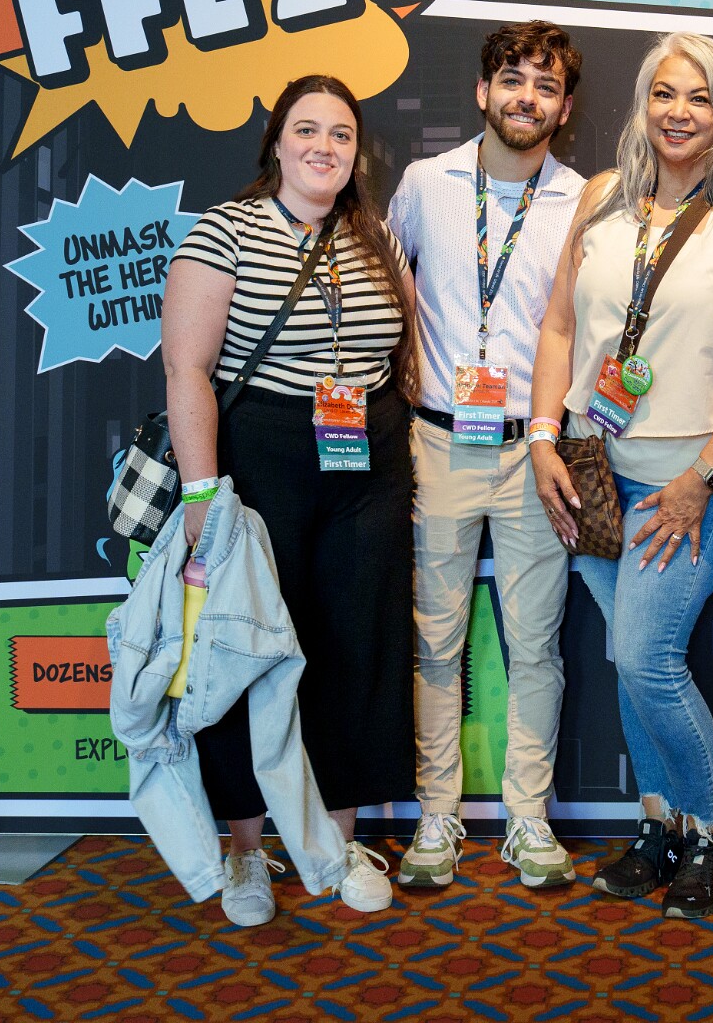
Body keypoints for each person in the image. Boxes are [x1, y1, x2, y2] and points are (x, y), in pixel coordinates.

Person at [528, 32, 713, 919]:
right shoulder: (603, 198)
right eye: (664, 94)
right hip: (591, 470)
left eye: (700, 97)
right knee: (626, 654)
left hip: (694, 480)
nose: (679, 113)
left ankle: (712, 830)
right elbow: (560, 326)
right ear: (643, 103)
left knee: (647, 657)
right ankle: (659, 824)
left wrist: (701, 480)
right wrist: (543, 437)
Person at [160, 74, 418, 923]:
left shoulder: (375, 237)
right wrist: (203, 493)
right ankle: (245, 850)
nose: (323, 147)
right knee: (248, 649)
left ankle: (338, 843)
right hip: (262, 456)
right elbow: (187, 370)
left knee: (357, 648)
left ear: (357, 152)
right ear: (276, 141)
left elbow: (403, 353)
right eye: (306, 130)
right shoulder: (225, 231)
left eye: (340, 134)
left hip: (368, 460)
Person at [386, 22, 587, 888]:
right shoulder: (425, 184)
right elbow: (387, 280)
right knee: (436, 644)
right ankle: (437, 816)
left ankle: (527, 818)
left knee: (535, 645)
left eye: (545, 85)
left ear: (564, 109)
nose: (525, 97)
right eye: (512, 78)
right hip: (438, 443)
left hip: (534, 451)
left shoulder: (583, 200)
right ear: (482, 91)